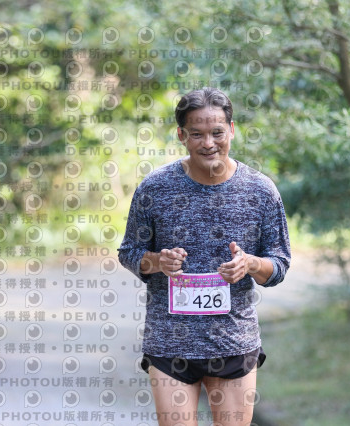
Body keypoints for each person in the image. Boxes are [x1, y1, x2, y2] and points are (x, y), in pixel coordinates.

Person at [118, 88, 291, 426]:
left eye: (217, 132)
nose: (208, 143)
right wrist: (158, 262)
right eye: (196, 134)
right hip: (170, 344)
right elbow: (130, 252)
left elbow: (279, 264)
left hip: (233, 342)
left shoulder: (260, 191)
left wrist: (250, 264)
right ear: (181, 135)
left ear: (232, 130)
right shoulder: (155, 188)